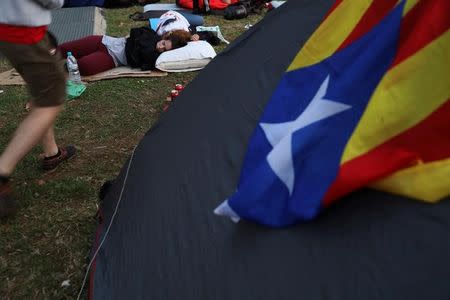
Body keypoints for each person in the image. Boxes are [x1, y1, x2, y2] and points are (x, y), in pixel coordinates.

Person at [0, 0, 77, 218]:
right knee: (50, 101)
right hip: (25, 32)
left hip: (7, 29)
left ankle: (52, 153)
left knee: (43, 92)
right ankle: (2, 171)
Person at [57, 28, 191, 76]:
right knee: (62, 49)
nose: (160, 48)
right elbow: (134, 32)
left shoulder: (156, 58)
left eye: (164, 49)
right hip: (103, 41)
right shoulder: (151, 34)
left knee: (83, 66)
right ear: (164, 38)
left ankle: (72, 61)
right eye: (163, 43)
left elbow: (142, 60)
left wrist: (138, 45)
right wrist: (139, 47)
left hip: (110, 57)